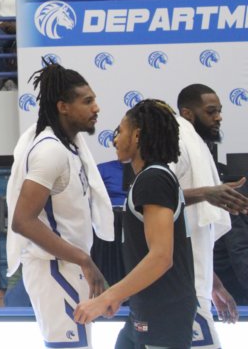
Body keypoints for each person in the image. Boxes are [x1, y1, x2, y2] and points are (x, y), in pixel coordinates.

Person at [6, 61, 113, 349]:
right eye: (87, 101)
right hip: (54, 268)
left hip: (68, 266)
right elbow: (23, 221)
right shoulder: (50, 150)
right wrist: (83, 259)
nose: (96, 108)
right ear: (63, 107)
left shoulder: (69, 147)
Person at [74, 100, 196, 349]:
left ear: (137, 135)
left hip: (163, 314)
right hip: (147, 309)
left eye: (120, 131)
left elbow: (161, 257)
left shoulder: (153, 179)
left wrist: (107, 297)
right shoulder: (151, 178)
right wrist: (123, 293)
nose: (115, 139)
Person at [175, 84, 248, 339]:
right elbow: (154, 200)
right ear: (187, 114)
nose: (218, 117)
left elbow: (196, 235)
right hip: (181, 286)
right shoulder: (178, 145)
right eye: (210, 111)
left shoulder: (197, 146)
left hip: (197, 280)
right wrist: (206, 193)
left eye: (219, 111)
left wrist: (215, 284)